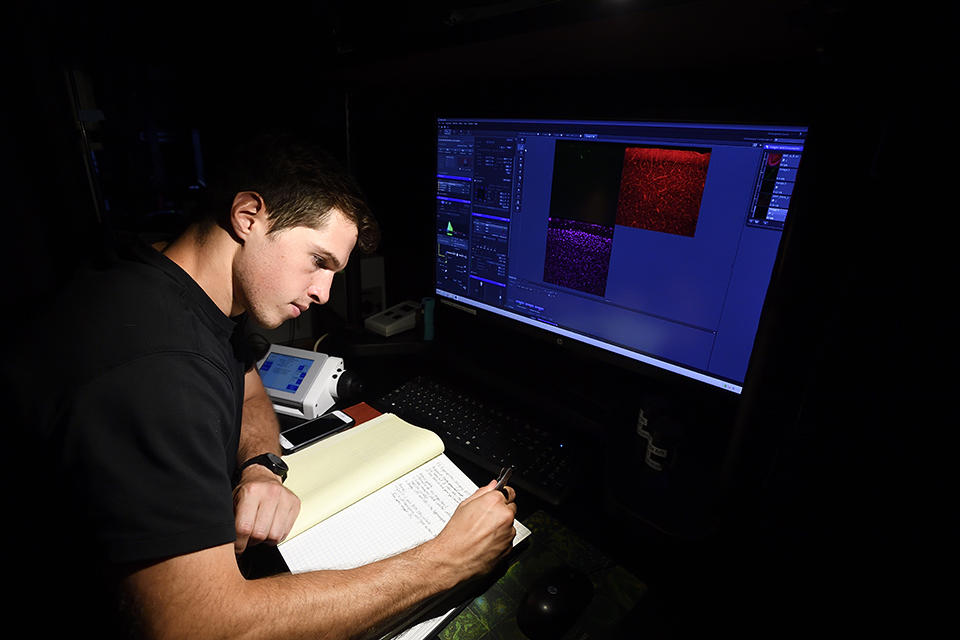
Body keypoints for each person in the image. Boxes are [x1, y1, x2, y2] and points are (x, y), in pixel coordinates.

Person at [7, 135, 517, 639]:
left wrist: (261, 467)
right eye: (319, 261)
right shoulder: (159, 372)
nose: (323, 293)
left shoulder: (167, 275)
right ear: (249, 215)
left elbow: (247, 383)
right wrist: (444, 563)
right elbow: (201, 628)